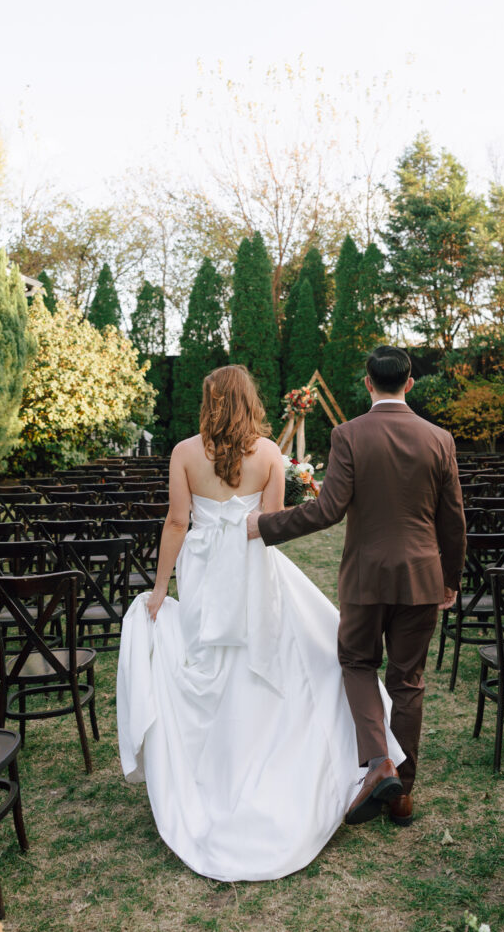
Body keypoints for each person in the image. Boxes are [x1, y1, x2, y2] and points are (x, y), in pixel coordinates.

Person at [116, 364, 404, 882]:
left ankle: (212, 769)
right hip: (252, 570)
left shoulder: (183, 453)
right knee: (269, 655)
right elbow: (270, 527)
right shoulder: (270, 454)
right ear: (250, 401)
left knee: (209, 658)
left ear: (209, 401)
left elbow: (178, 522)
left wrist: (161, 587)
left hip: (203, 573)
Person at [247, 345, 466, 827]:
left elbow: (328, 510)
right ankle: (402, 795)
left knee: (356, 662)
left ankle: (378, 763)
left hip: (366, 577)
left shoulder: (349, 434)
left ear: (368, 383)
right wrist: (450, 579)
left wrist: (264, 527)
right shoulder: (439, 439)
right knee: (407, 681)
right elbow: (453, 521)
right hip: (422, 578)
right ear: (409, 383)